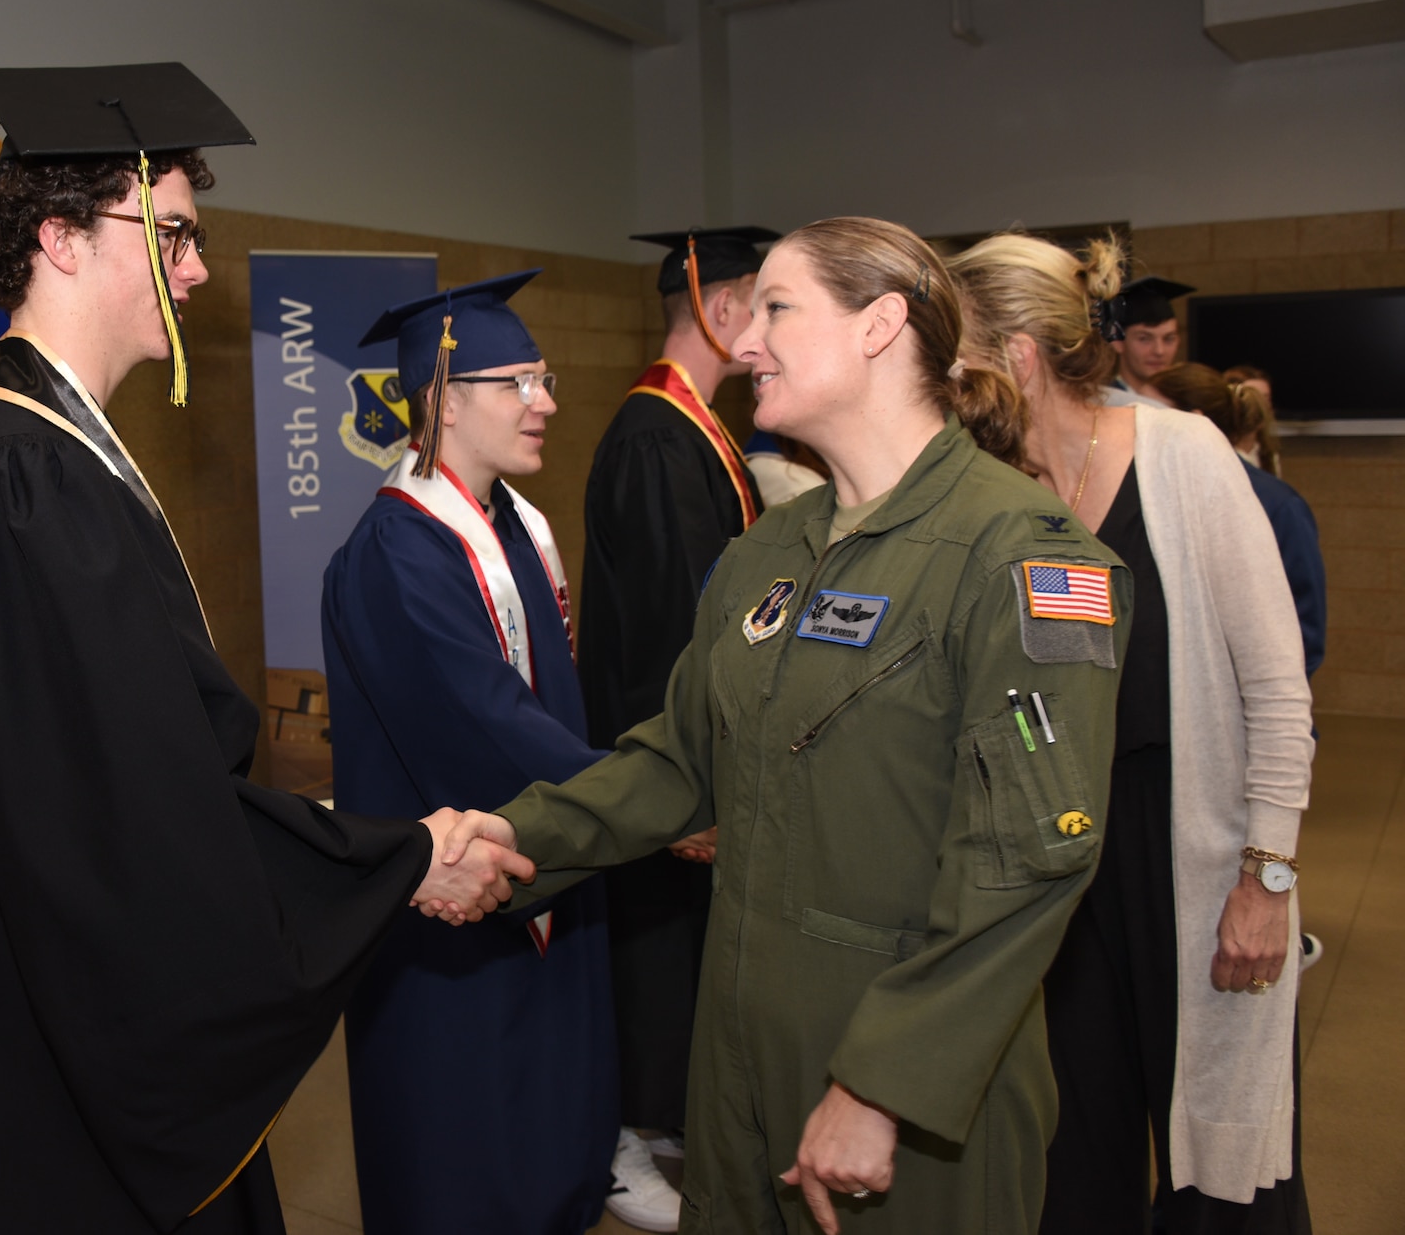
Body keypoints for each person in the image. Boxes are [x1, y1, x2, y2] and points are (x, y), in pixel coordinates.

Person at [0, 65, 527, 1235]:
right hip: (67, 1069)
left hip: (44, 1010)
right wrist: (394, 862)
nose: (198, 272)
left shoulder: (46, 452)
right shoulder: (18, 481)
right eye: (171, 235)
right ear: (63, 240)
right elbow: (126, 831)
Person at [443, 217, 1131, 1234]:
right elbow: (680, 758)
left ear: (878, 326)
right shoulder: (773, 546)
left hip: (909, 1083)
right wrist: (517, 836)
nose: (744, 340)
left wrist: (881, 1084)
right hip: (738, 1053)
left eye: (775, 308)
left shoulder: (1023, 560)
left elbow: (1025, 864)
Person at [948, 233, 1314, 1233]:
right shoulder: (993, 485)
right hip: (1060, 859)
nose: (941, 376)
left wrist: (1264, 881)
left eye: (959, 350)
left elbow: (1277, 689)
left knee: (1221, 1160)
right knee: (1071, 1154)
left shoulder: (1182, 456)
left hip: (1187, 844)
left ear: (1017, 354)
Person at [322, 271, 617, 1235]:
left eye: (545, 378)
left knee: (549, 1118)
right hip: (453, 914)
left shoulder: (513, 526)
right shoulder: (396, 552)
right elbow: (485, 723)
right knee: (467, 1147)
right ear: (445, 397)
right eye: (518, 383)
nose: (547, 403)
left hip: (541, 876)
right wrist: (636, 800)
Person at [581, 225, 776, 1232]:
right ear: (720, 305)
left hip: (691, 743)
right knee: (651, 944)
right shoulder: (657, 433)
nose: (776, 330)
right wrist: (689, 781)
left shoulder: (696, 425)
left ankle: (662, 1118)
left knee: (682, 948)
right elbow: (672, 626)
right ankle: (619, 1136)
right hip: (663, 744)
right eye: (770, 305)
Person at [1154, 363, 1324, 677]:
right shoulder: (1154, 494)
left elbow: (1304, 632)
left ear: (1195, 421)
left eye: (1151, 413)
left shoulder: (1278, 503)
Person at [1107, 274, 1194, 405]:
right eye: (1144, 339)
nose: (1159, 351)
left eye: (1169, 339)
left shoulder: (1187, 403)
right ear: (1118, 342)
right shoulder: (1101, 404)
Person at [1222, 365, 1283, 474]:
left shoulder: (1269, 455)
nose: (1261, 406)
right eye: (1253, 398)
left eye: (1265, 398)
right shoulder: (1220, 450)